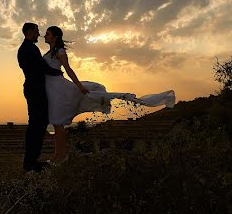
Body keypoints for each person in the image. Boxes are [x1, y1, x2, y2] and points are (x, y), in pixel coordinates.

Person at [42, 26, 176, 163]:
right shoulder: (50, 52)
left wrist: (79, 86)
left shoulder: (59, 51)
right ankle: (57, 155)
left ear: (55, 37)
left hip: (59, 89)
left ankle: (61, 156)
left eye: (47, 34)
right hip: (52, 90)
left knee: (58, 124)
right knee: (57, 123)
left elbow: (68, 69)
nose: (44, 36)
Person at [17, 22, 65, 172]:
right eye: (37, 31)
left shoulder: (25, 49)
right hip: (35, 90)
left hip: (33, 89)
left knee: (36, 125)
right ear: (31, 32)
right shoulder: (30, 49)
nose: (39, 34)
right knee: (37, 125)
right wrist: (58, 73)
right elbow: (41, 67)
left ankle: (31, 161)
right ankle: (31, 162)